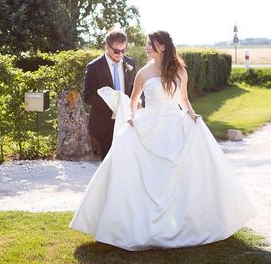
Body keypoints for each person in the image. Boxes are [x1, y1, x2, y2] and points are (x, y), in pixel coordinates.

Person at [70, 30, 256, 251]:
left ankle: (182, 222)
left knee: (179, 175)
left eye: (150, 44)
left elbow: (184, 99)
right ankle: (138, 224)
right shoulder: (143, 72)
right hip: (148, 124)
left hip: (174, 125)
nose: (147, 47)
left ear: (163, 46)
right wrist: (130, 117)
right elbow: (134, 99)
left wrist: (192, 115)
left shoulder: (179, 71)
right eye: (148, 43)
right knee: (140, 172)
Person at [83, 28, 137, 160]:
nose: (120, 54)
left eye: (123, 50)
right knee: (108, 162)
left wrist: (138, 101)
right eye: (117, 51)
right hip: (104, 123)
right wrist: (114, 104)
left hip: (127, 121)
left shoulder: (130, 63)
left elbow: (135, 88)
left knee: (127, 160)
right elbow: (88, 96)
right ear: (107, 46)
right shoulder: (94, 67)